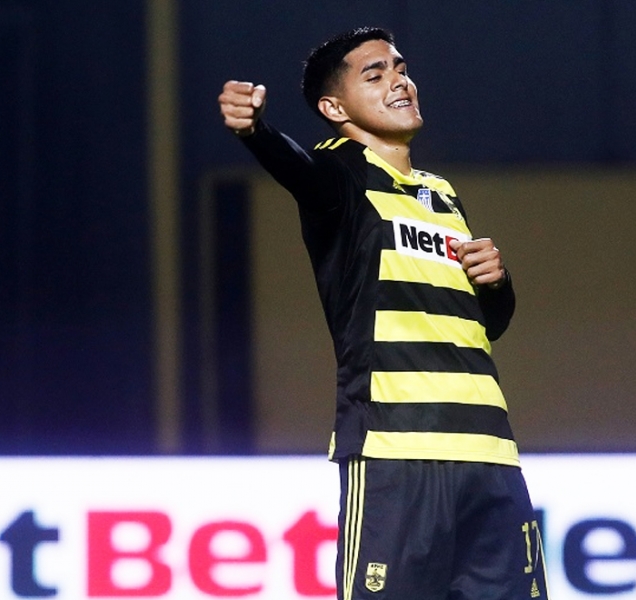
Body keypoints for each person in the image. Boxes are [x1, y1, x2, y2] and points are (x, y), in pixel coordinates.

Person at [218, 26, 548, 600]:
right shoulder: (339, 176)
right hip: (397, 454)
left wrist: (496, 283)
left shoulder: (440, 194)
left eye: (401, 69)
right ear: (334, 108)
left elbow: (488, 325)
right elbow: (299, 171)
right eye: (375, 74)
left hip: (490, 456)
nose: (400, 81)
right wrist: (256, 132)